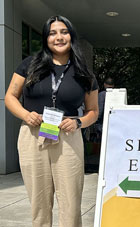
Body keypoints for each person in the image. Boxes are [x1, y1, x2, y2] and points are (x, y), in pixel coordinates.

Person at [4, 15, 98, 227]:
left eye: (64, 32)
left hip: (68, 135)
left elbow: (93, 111)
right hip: (33, 133)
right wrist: (26, 115)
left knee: (71, 202)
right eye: (52, 33)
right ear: (46, 38)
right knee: (39, 202)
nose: (59, 37)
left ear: (71, 35)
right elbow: (10, 97)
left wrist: (79, 122)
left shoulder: (83, 71)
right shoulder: (30, 64)